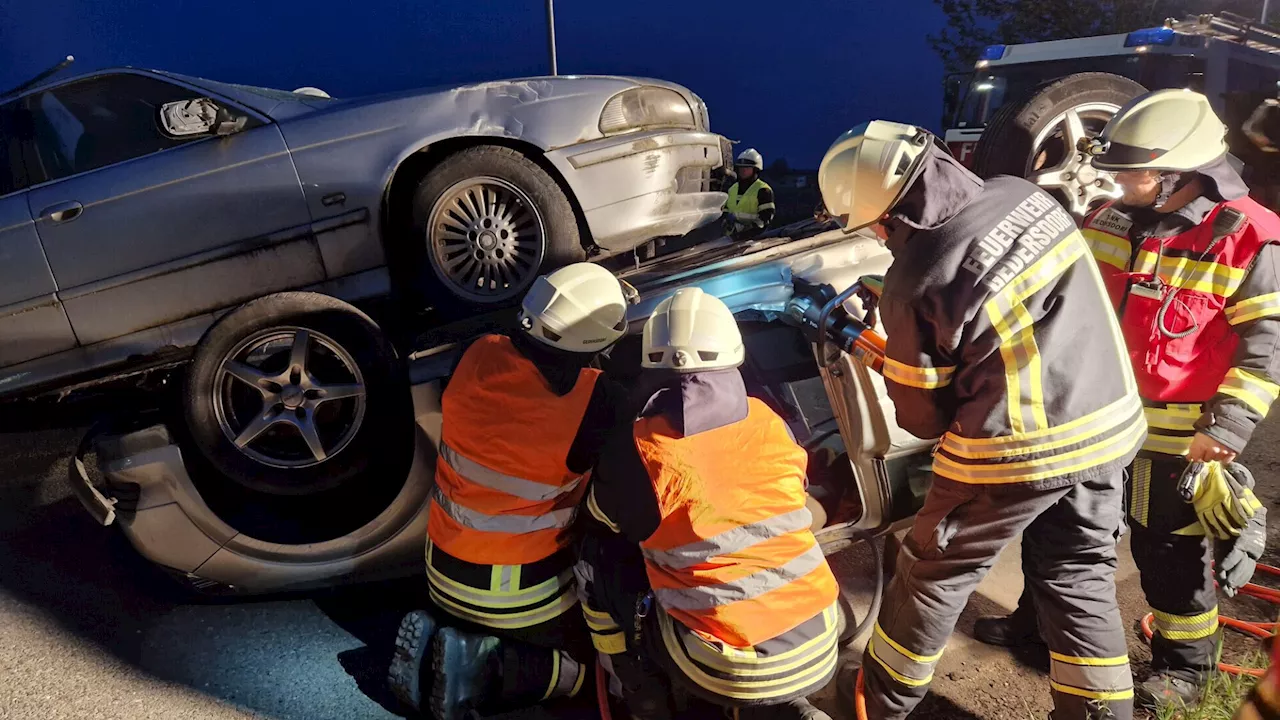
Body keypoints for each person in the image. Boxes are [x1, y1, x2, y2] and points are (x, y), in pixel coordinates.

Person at [818, 120, 1146, 719]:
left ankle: (877, 703)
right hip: (1108, 424)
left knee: (931, 573)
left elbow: (922, 418)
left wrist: (894, 343)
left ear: (892, 215)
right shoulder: (1022, 195)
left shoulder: (914, 280)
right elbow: (999, 302)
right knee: (1078, 574)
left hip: (1017, 451)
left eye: (869, 223)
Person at [973, 89, 1278, 710]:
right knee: (1061, 532)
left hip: (1181, 431)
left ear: (1175, 174)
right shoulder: (1113, 218)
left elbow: (1266, 347)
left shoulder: (1251, 238)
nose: (1110, 182)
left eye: (1126, 171)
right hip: (1096, 416)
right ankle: (1041, 629)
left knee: (1167, 550)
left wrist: (1225, 430)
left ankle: (1186, 669)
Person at [578, 286, 840, 720]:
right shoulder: (766, 418)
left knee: (597, 559)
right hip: (820, 640)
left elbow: (600, 519)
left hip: (726, 664)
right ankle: (789, 709)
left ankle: (641, 689)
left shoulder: (642, 447)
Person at [386, 262, 630, 720]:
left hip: (440, 568)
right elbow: (623, 484)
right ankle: (487, 669)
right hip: (518, 596)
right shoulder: (598, 400)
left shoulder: (476, 354)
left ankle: (445, 641)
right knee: (590, 664)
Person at [724, 148, 777, 237]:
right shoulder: (732, 189)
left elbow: (766, 218)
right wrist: (725, 222)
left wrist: (747, 228)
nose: (743, 171)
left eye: (747, 168)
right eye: (741, 167)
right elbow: (726, 210)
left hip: (754, 240)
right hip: (730, 239)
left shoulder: (763, 190)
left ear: (756, 170)